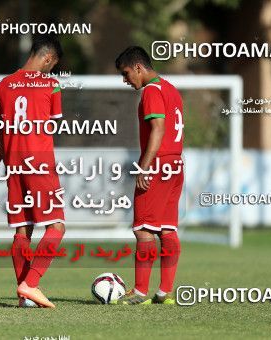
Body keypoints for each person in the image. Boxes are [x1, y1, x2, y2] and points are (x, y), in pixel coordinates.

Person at [0, 35, 65, 308]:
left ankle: (24, 299)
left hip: (14, 165)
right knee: (56, 226)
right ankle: (30, 284)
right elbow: (52, 127)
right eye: (52, 65)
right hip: (40, 164)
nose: (52, 70)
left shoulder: (2, 86)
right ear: (48, 58)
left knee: (23, 231)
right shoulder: (51, 85)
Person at [115, 46, 184, 305]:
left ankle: (140, 292)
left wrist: (144, 166)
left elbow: (157, 129)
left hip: (158, 164)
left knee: (143, 229)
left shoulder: (152, 91)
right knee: (167, 229)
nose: (125, 80)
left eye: (125, 73)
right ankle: (165, 292)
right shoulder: (171, 89)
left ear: (138, 68)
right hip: (175, 164)